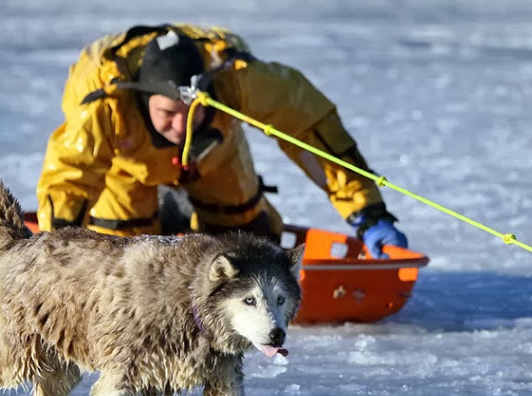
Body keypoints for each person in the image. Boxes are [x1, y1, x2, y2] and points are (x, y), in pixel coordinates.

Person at [36, 23, 408, 257]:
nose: (180, 127)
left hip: (214, 155)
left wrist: (368, 214)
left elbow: (313, 132)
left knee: (250, 243)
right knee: (125, 255)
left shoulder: (239, 82)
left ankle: (191, 213)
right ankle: (161, 213)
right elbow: (69, 177)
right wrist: (53, 258)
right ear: (145, 99)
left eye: (190, 113)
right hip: (126, 168)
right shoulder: (107, 106)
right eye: (168, 114)